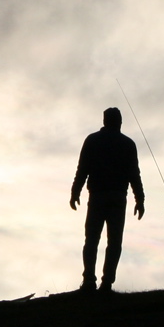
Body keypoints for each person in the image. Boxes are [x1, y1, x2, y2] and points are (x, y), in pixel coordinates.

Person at [70, 107, 145, 293]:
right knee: (114, 241)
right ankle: (106, 283)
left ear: (104, 121)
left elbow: (82, 169)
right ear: (119, 122)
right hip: (118, 198)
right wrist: (140, 199)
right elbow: (134, 174)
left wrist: (75, 191)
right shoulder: (128, 144)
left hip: (97, 196)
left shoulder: (92, 140)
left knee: (91, 240)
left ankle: (89, 280)